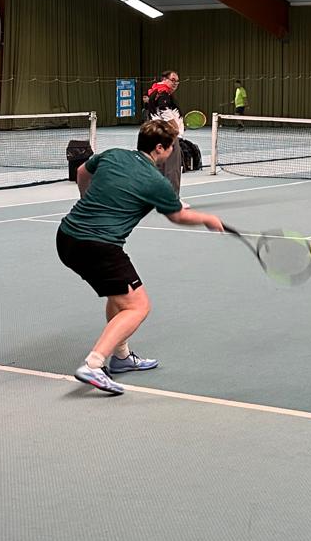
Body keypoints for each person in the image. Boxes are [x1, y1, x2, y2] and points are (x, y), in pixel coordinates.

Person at [57, 119, 226, 396]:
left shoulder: (112, 155)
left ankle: (121, 356)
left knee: (119, 295)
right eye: (171, 147)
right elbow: (177, 216)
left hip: (66, 237)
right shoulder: (157, 182)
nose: (172, 151)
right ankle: (94, 364)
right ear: (160, 148)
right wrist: (207, 219)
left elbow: (81, 172)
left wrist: (86, 199)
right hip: (98, 247)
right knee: (138, 306)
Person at [144, 69, 184, 195]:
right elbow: (164, 110)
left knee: (159, 168)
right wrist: (175, 128)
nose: (175, 83)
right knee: (172, 168)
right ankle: (172, 199)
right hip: (168, 136)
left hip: (156, 134)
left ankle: (158, 197)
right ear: (164, 80)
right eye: (173, 80)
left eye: (177, 81)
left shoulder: (154, 92)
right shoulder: (164, 93)